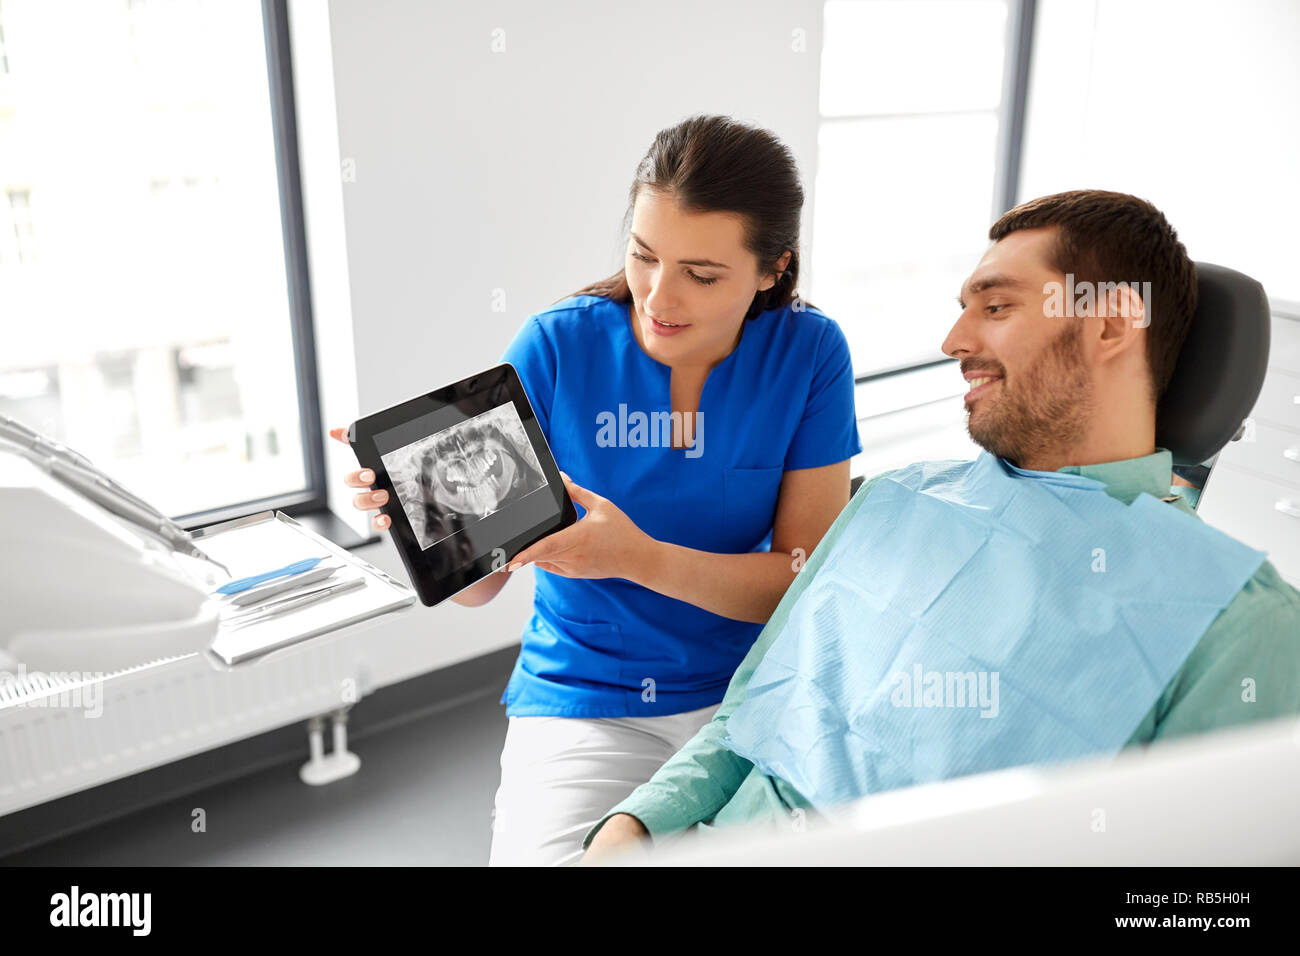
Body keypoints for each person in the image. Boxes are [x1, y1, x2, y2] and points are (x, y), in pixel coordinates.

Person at [581, 189, 1300, 863]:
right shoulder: (895, 500)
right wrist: (632, 824)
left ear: (1110, 323)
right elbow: (748, 715)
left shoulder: (1236, 623)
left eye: (995, 307)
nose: (954, 338)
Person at [330, 115, 863, 865]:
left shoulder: (810, 354)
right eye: (643, 256)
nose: (658, 296)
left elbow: (803, 581)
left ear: (773, 271)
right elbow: (480, 591)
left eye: (701, 275)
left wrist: (638, 557)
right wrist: (424, 526)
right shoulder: (558, 346)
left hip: (753, 693)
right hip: (589, 697)